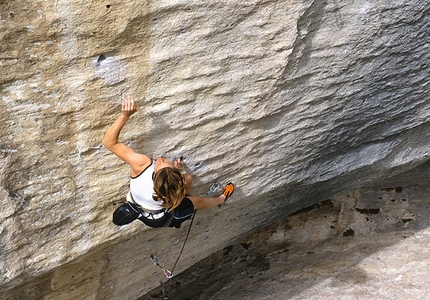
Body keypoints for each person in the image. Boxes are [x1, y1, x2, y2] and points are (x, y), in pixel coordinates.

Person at [102, 96, 234, 228]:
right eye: (160, 163)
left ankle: (185, 196)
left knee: (187, 178)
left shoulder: (141, 166)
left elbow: (109, 143)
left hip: (148, 215)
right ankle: (222, 199)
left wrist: (124, 116)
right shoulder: (166, 191)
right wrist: (177, 171)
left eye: (160, 164)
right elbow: (109, 142)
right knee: (196, 197)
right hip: (162, 216)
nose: (159, 160)